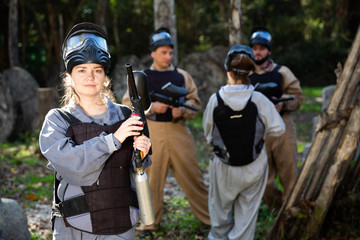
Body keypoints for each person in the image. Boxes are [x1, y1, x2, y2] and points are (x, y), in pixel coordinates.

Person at [39, 22, 152, 239]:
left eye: (97, 70)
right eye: (81, 70)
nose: (90, 77)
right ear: (69, 78)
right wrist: (114, 139)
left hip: (121, 226)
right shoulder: (57, 120)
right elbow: (74, 166)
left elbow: (133, 167)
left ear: (105, 78)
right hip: (74, 229)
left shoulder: (125, 115)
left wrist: (142, 153)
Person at [122, 27, 210, 237]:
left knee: (193, 175)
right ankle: (149, 223)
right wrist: (152, 108)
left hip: (179, 130)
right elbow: (127, 103)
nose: (168, 56)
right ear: (153, 53)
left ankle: (209, 219)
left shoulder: (182, 76)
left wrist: (183, 110)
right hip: (153, 132)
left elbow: (194, 101)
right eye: (163, 52)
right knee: (151, 178)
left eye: (171, 52)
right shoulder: (142, 77)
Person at [202, 44, 285, 240]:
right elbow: (279, 129)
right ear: (251, 70)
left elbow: (208, 135)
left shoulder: (215, 100)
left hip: (223, 166)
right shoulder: (259, 99)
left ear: (227, 70)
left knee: (220, 216)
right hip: (253, 165)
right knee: (246, 220)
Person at [248, 28, 304, 212]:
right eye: (254, 48)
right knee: (263, 180)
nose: (258, 52)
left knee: (289, 174)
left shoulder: (283, 72)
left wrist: (283, 105)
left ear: (269, 51)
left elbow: (298, 97)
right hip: (257, 130)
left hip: (282, 126)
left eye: (262, 48)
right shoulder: (245, 75)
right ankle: (278, 208)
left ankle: (291, 212)